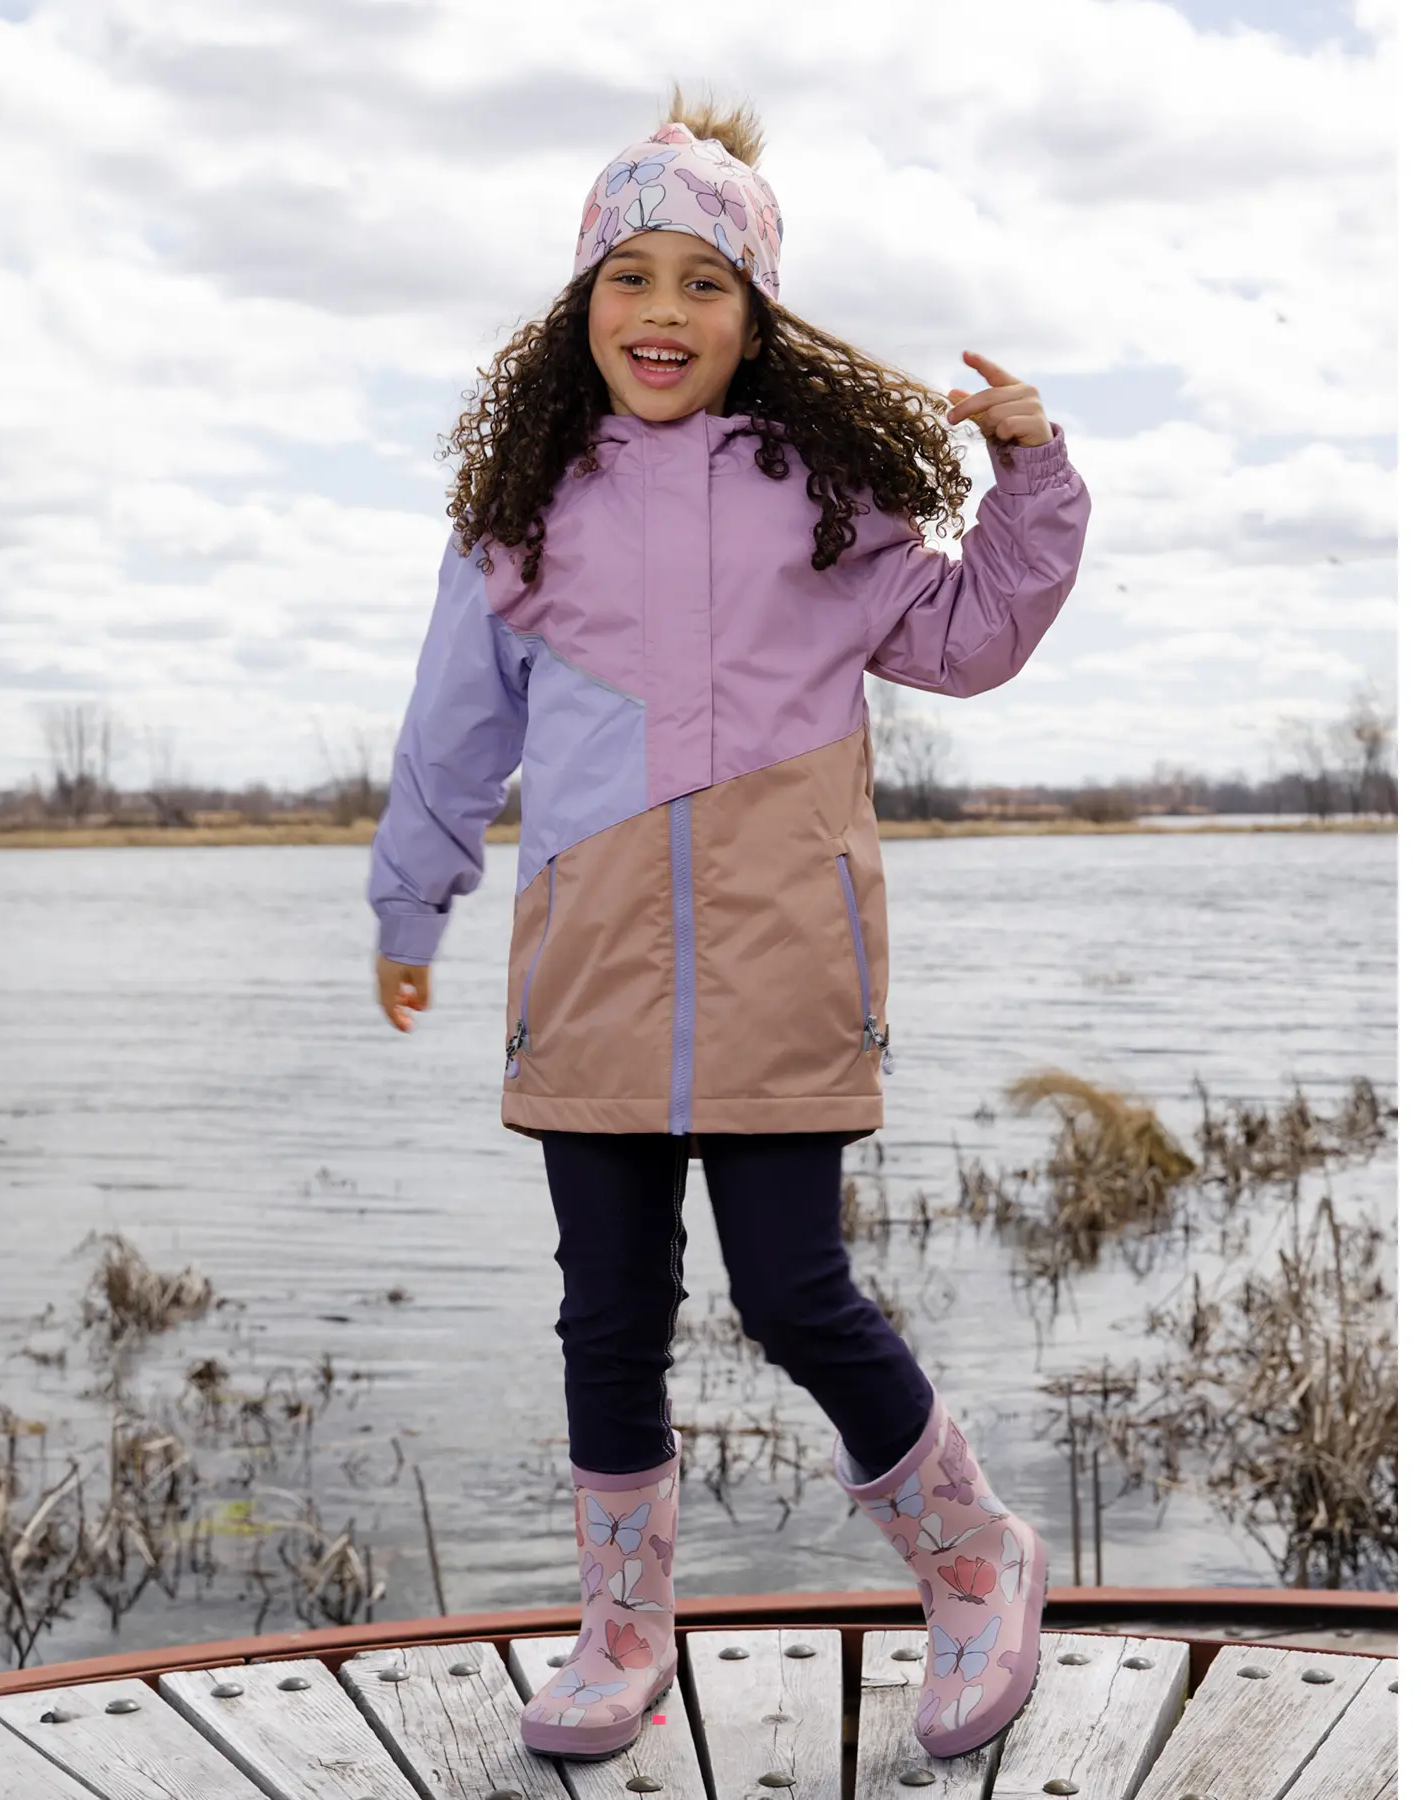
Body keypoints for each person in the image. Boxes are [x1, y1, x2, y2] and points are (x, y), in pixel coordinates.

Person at [366, 86, 1091, 1763]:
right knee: (607, 1313)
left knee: (795, 1292)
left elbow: (973, 637)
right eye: (631, 277)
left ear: (759, 316)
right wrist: (412, 897)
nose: (665, 311)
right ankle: (622, 1631)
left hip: (786, 966)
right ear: (582, 303)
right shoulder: (526, 509)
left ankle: (976, 1560)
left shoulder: (824, 493)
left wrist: (1032, 470)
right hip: (589, 971)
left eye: (706, 282)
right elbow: (451, 729)